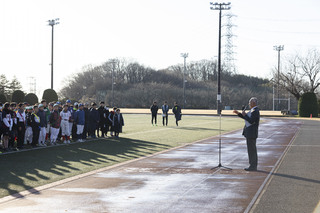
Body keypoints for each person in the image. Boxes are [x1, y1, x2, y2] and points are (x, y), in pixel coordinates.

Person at [233, 97, 260, 171]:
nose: (249, 104)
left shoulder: (255, 111)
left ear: (253, 103)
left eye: (250, 102)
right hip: (250, 132)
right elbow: (246, 118)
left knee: (252, 150)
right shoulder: (253, 110)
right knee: (251, 150)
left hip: (251, 133)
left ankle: (253, 166)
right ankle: (252, 165)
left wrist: (244, 115)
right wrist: (239, 114)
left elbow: (250, 121)